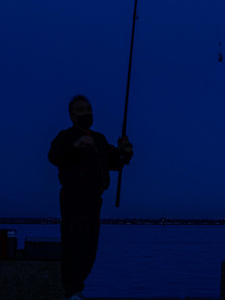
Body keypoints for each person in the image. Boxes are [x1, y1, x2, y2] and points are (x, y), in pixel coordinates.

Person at [48, 95, 133, 300]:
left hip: (95, 197)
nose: (86, 113)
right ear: (71, 115)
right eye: (80, 110)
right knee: (74, 242)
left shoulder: (99, 139)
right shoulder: (65, 137)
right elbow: (54, 156)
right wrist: (75, 146)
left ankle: (78, 289)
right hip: (73, 195)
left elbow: (115, 163)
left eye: (88, 109)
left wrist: (126, 151)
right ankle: (71, 291)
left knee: (90, 246)